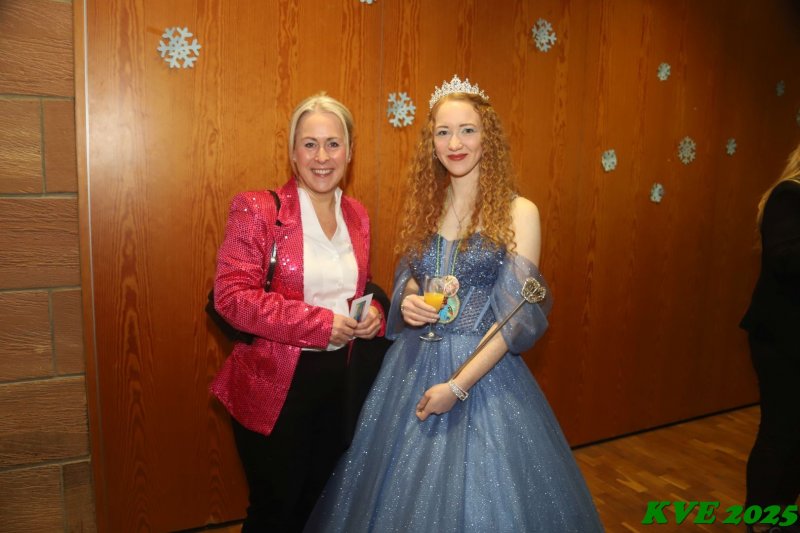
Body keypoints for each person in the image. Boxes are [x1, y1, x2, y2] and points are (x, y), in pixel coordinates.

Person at [304, 76, 603, 532]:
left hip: (482, 375)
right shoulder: (427, 206)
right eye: (443, 132)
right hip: (410, 369)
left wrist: (458, 386)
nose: (455, 143)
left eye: (467, 130)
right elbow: (408, 276)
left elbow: (516, 315)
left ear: (488, 137)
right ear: (433, 142)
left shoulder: (519, 212)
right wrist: (408, 300)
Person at [210, 92, 383, 532]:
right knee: (276, 513)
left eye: (333, 143)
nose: (322, 157)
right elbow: (231, 296)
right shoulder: (258, 209)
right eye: (309, 144)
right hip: (274, 389)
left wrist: (374, 312)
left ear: (349, 151)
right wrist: (320, 325)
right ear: (292, 152)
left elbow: (358, 284)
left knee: (319, 508)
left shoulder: (357, 214)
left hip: (339, 387)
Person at [740, 143, 800, 533]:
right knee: (781, 432)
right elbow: (786, 259)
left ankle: (783, 516)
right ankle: (762, 522)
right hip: (781, 339)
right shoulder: (789, 195)